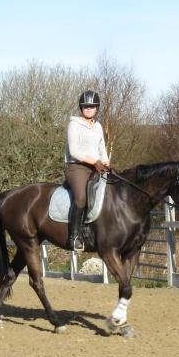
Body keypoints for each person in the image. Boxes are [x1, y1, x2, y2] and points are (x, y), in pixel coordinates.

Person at [63, 89, 110, 251]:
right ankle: (74, 236)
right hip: (77, 167)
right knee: (82, 197)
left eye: (92, 106)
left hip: (97, 166)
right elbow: (74, 151)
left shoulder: (98, 126)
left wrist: (106, 162)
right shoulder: (74, 125)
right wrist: (95, 161)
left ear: (97, 107)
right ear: (81, 107)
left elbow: (102, 148)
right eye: (85, 106)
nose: (88, 108)